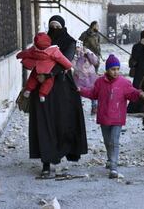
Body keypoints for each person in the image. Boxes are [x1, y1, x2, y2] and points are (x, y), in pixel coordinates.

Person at [28, 15, 88, 176]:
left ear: (63, 26)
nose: (54, 29)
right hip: (42, 88)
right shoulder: (44, 41)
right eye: (51, 26)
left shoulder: (69, 41)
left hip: (62, 87)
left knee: (62, 122)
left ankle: (61, 152)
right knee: (43, 123)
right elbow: (33, 57)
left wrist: (48, 74)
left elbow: (65, 62)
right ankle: (46, 162)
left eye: (57, 26)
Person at [79, 54, 144, 178]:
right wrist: (81, 90)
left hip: (117, 118)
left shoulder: (124, 83)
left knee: (114, 141)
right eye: (113, 69)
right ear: (107, 70)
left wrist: (140, 94)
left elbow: (132, 92)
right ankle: (109, 159)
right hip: (104, 117)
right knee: (107, 141)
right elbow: (93, 93)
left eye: (117, 69)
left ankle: (113, 167)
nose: (116, 72)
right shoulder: (100, 82)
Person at [17, 32, 73, 102]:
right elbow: (61, 59)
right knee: (49, 82)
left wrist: (19, 55)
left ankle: (28, 90)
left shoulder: (34, 50)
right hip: (48, 71)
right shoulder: (53, 50)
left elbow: (26, 52)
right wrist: (68, 66)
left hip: (37, 69)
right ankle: (42, 94)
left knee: (32, 78)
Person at [72, 40, 99, 115]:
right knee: (78, 92)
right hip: (79, 77)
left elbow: (95, 61)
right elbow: (72, 65)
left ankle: (94, 107)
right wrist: (75, 57)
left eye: (79, 46)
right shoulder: (74, 55)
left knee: (93, 91)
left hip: (90, 77)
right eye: (76, 47)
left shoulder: (87, 52)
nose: (78, 48)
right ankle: (78, 108)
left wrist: (89, 53)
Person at [127, 29, 144, 113]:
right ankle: (136, 108)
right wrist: (141, 45)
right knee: (137, 88)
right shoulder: (137, 46)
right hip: (139, 71)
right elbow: (134, 58)